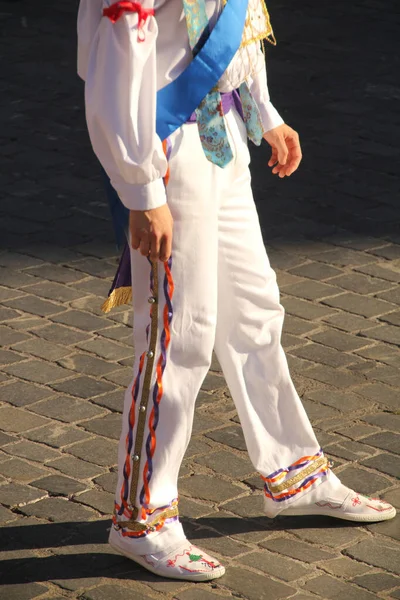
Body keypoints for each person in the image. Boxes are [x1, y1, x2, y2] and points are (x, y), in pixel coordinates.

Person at [77, 0, 396, 582]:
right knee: (178, 335)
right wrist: (143, 191)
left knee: (255, 312)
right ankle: (141, 519)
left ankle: (292, 473)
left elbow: (236, 20)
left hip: (222, 136)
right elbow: (114, 69)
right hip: (169, 148)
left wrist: (263, 111)